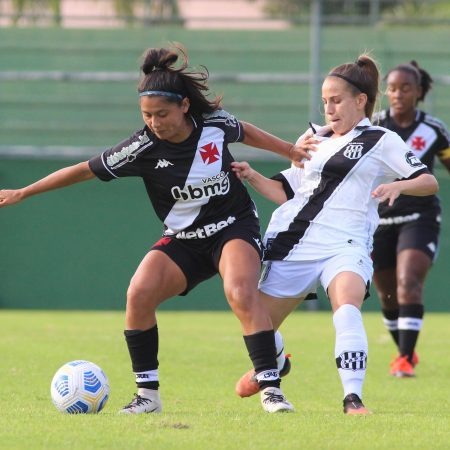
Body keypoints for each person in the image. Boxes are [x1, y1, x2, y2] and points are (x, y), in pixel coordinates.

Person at [0, 44, 310, 414]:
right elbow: (83, 169)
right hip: (184, 239)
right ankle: (148, 396)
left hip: (232, 226)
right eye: (146, 115)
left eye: (161, 114)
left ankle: (271, 390)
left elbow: (246, 131)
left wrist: (290, 151)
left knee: (240, 290)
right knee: (139, 294)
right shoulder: (140, 147)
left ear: (183, 106)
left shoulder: (214, 124)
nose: (154, 122)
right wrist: (25, 191)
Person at [231, 54, 439, 415]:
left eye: (337, 99)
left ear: (361, 100)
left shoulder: (381, 139)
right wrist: (252, 176)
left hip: (346, 243)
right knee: (256, 323)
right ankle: (276, 361)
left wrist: (400, 186)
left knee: (346, 308)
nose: (329, 107)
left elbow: (429, 181)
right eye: (325, 101)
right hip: (295, 242)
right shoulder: (311, 138)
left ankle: (352, 398)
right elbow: (285, 192)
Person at [371, 61, 450, 377]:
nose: (398, 94)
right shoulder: (373, 125)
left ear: (418, 92)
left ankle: (403, 359)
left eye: (405, 88)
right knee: (387, 295)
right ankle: (406, 352)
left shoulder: (433, 129)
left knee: (408, 283)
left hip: (420, 216)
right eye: (392, 88)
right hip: (378, 219)